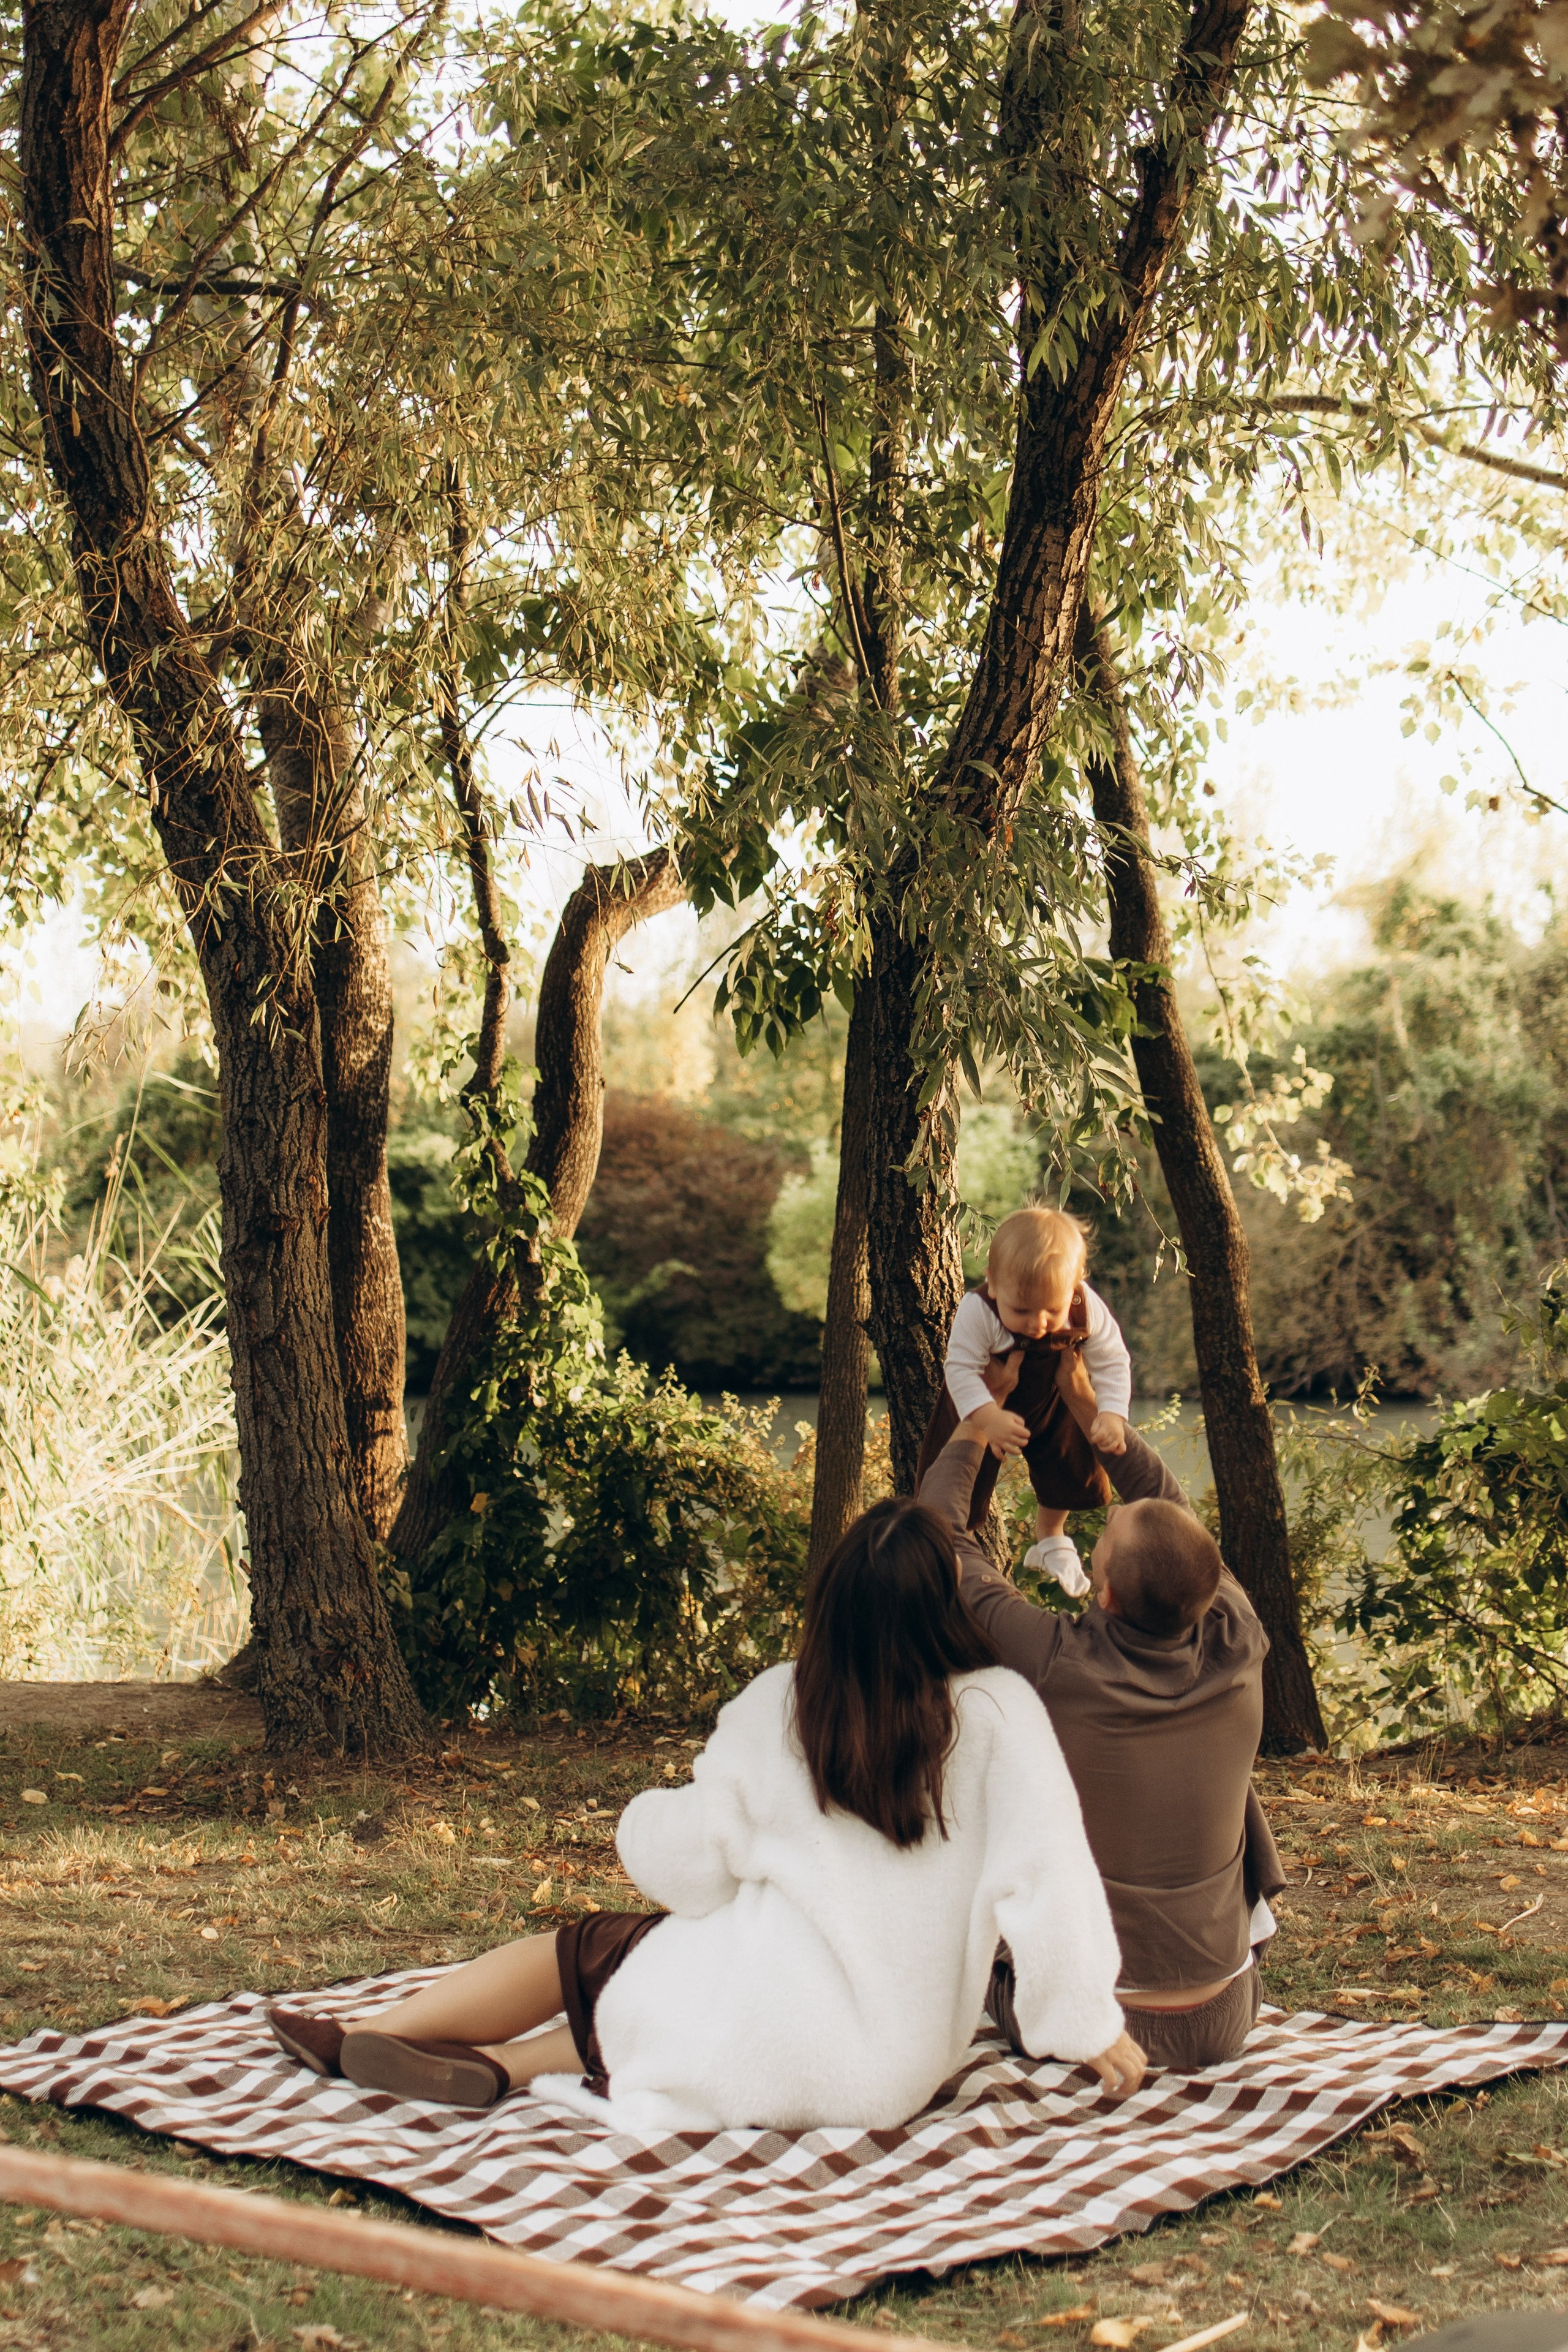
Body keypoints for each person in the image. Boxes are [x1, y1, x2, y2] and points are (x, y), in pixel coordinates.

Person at [269, 1494, 1145, 2131]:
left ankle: (369, 2036)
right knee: (654, 1985)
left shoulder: (787, 1703)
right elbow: (1051, 1882)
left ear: (834, 1607)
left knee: (590, 1951)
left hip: (757, 2024)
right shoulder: (998, 1713)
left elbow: (687, 1871)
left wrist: (640, 1818)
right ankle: (496, 2066)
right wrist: (1086, 2023)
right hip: (889, 2073)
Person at [918, 1417, 1285, 2074]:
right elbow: (1175, 1517)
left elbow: (939, 1537)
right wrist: (1101, 1424)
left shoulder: (1055, 1660)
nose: (1109, 1512)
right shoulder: (1238, 1637)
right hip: (1226, 2016)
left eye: (1103, 1539)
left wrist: (975, 1428)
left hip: (1083, 2028)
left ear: (1105, 1592)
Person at [916, 1208, 1146, 1596]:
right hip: (983, 1404)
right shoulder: (977, 1311)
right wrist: (988, 1416)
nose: (1038, 1323)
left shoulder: (1085, 1305)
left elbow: (1112, 1361)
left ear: (1074, 1287)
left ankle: (1051, 1535)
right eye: (1021, 1311)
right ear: (992, 1285)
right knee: (960, 1477)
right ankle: (950, 1553)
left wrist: (1110, 1413)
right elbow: (960, 1370)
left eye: (1052, 1311)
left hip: (1054, 1396)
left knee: (1071, 1464)